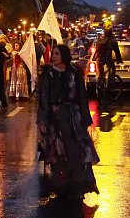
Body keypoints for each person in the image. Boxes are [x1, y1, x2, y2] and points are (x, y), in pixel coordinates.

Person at [37, 44, 99, 198]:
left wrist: (85, 119)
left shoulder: (74, 73)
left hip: (72, 118)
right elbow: (43, 98)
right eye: (53, 54)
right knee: (57, 153)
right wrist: (43, 120)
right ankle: (61, 187)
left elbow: (81, 97)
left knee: (76, 151)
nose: (54, 56)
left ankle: (77, 186)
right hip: (55, 118)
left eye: (57, 54)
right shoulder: (49, 74)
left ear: (64, 55)